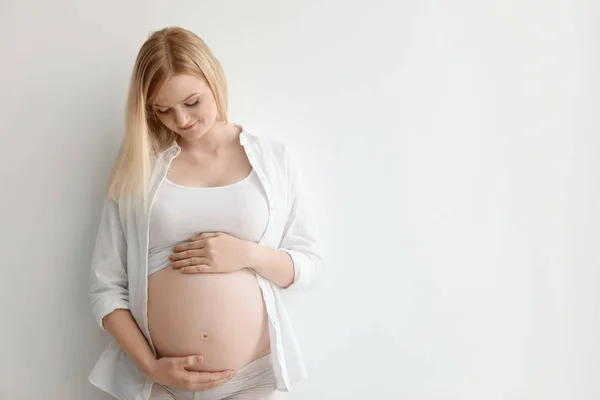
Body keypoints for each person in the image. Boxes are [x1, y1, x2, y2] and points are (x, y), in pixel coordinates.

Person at [88, 26, 323, 400]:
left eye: (192, 102)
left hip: (251, 377)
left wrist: (246, 254)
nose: (181, 120)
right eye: (163, 110)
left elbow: (308, 266)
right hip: (158, 381)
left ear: (213, 79)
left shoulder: (273, 158)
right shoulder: (139, 168)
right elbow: (106, 288)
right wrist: (150, 365)